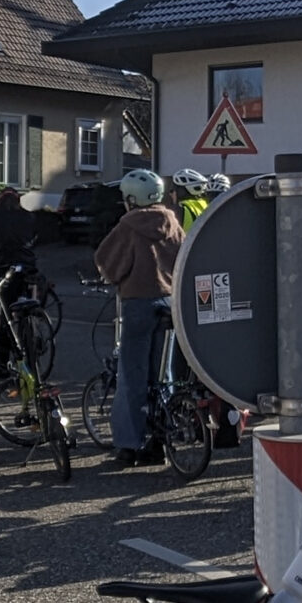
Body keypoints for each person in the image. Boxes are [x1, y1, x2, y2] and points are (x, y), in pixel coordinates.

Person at [96, 167, 183, 468]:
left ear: (131, 198)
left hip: (138, 303)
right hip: (170, 302)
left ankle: (130, 445)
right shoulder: (173, 221)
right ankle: (163, 440)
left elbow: (107, 260)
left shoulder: (128, 225)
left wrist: (112, 277)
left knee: (132, 376)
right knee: (164, 374)